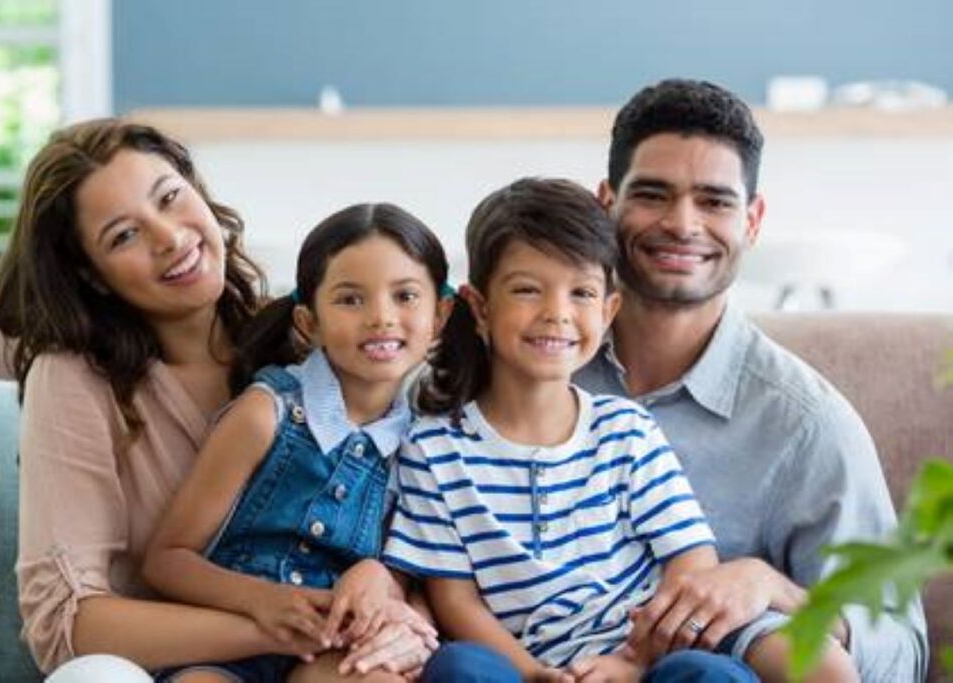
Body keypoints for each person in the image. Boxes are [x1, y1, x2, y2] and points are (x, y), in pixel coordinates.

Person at [0, 120, 435, 680]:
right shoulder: (74, 377)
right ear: (92, 276)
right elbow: (65, 624)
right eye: (123, 235)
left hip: (325, 650)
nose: (171, 238)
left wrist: (398, 611)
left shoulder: (316, 340)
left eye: (171, 197)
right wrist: (269, 624)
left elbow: (426, 524)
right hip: (169, 667)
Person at [380, 177, 855, 682]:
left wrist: (633, 660)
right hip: (522, 664)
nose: (556, 314)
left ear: (608, 311)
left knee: (711, 672)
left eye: (581, 292)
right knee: (459, 666)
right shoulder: (434, 449)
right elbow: (456, 601)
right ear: (480, 307)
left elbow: (691, 560)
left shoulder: (625, 429)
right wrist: (534, 674)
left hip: (645, 654)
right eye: (526, 290)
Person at [573, 79, 928, 682]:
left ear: (753, 220)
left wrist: (778, 590)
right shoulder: (519, 362)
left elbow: (902, 648)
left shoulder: (804, 422)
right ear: (606, 202)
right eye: (653, 194)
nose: (682, 224)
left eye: (714, 201)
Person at [142, 202, 453, 682]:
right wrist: (265, 601)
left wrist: (381, 580)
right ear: (310, 324)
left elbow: (418, 573)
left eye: (406, 296)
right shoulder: (267, 413)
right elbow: (166, 560)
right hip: (225, 641)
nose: (381, 317)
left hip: (328, 648)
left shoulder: (429, 443)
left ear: (440, 317)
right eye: (351, 300)